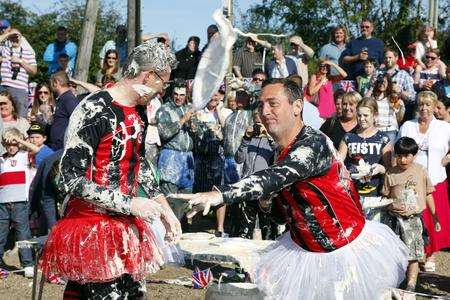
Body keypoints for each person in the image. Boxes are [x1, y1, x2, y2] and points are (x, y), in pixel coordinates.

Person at [178, 78, 407, 299]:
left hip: (343, 252)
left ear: (298, 106)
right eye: (261, 104)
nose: (264, 112)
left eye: (273, 104)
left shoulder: (313, 143)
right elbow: (285, 215)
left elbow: (276, 176)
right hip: (302, 250)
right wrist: (268, 204)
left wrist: (220, 194)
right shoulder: (282, 149)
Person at [40, 42, 181, 298]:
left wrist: (165, 209)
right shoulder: (94, 109)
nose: (162, 92)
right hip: (91, 227)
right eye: (163, 83)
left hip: (125, 227)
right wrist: (130, 204)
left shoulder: (140, 111)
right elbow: (70, 178)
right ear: (148, 76)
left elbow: (138, 163)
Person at [398, 91, 450, 272]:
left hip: (436, 178)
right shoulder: (407, 126)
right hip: (412, 181)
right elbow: (399, 148)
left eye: (428, 105)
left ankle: (432, 253)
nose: (424, 108)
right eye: (421, 104)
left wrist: (448, 157)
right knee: (415, 217)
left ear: (435, 106)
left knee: (434, 216)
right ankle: (416, 252)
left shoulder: (444, 127)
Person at [382, 137, 441, 292]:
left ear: (414, 155)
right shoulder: (390, 173)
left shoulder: (420, 171)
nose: (403, 159)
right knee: (394, 254)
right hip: (394, 220)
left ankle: (411, 284)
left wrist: (435, 216)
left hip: (414, 220)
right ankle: (394, 282)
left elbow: (429, 194)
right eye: (399, 155)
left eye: (407, 155)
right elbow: (385, 198)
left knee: (413, 255)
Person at [338, 97, 392, 221]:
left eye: (366, 115)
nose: (362, 119)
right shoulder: (348, 137)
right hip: (351, 194)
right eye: (359, 115)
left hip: (375, 195)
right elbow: (338, 163)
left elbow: (391, 169)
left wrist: (381, 168)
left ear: (375, 115)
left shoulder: (383, 139)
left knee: (375, 235)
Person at [232, 111, 277, 239]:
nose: (258, 127)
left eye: (260, 123)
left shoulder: (273, 138)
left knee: (266, 228)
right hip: (248, 186)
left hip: (265, 188)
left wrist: (267, 135)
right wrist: (246, 138)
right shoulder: (249, 139)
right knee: (245, 228)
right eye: (256, 123)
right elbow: (239, 159)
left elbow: (279, 154)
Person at [156, 82, 195, 219]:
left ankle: (182, 230)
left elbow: (200, 134)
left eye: (182, 95)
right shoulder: (164, 110)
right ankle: (167, 232)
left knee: (185, 199)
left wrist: (195, 127)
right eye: (176, 94)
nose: (179, 98)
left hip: (188, 158)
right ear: (172, 94)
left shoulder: (189, 109)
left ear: (186, 95)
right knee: (170, 199)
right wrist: (182, 120)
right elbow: (163, 133)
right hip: (170, 157)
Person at [0, 128, 34, 278]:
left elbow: (37, 149)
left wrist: (19, 139)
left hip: (20, 203)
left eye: (14, 143)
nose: (11, 146)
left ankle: (27, 264)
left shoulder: (24, 156)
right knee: (1, 234)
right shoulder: (1, 159)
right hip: (2, 204)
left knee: (23, 234)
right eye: (8, 144)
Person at [192, 92, 226, 235]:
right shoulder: (200, 112)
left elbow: (227, 129)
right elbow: (194, 131)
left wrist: (219, 112)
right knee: (201, 191)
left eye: (216, 95)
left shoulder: (225, 111)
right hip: (202, 157)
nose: (213, 98)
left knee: (220, 191)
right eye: (210, 95)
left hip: (218, 157)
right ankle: (196, 225)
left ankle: (220, 228)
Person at [0, 29, 37, 118]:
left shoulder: (28, 52)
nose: (14, 39)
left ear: (21, 38)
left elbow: (34, 71)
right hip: (4, 87)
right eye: (12, 37)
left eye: (16, 37)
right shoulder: (5, 49)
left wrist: (20, 61)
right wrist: (8, 34)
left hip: (20, 89)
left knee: (20, 118)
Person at [48, 71, 79, 150]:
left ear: (56, 82)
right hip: (56, 145)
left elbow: (78, 120)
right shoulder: (63, 99)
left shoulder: (69, 99)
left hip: (62, 146)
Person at [372, 74, 405, 142]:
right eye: (379, 82)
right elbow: (364, 102)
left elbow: (397, 111)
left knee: (389, 152)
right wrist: (371, 87)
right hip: (376, 129)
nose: (381, 84)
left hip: (390, 129)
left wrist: (396, 93)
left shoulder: (392, 96)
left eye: (383, 82)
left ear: (388, 83)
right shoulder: (373, 97)